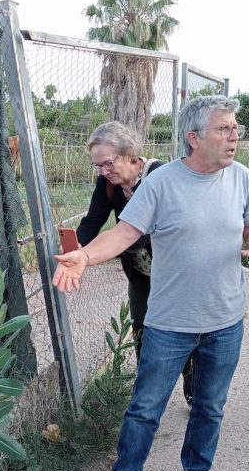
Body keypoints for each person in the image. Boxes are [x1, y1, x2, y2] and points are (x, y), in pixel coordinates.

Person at [52, 95, 249, 471]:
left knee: (210, 405)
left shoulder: (242, 177)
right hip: (169, 322)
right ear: (194, 138)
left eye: (235, 128)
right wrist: (84, 256)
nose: (234, 137)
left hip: (226, 319)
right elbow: (123, 233)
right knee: (145, 408)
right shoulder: (162, 183)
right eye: (224, 129)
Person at [76, 121, 194, 405]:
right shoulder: (107, 184)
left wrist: (116, 242)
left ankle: (193, 384)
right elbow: (93, 220)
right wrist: (76, 249)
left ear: (129, 154)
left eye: (108, 163)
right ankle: (149, 392)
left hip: (175, 271)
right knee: (142, 324)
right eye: (98, 166)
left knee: (184, 329)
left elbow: (169, 226)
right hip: (140, 271)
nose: (104, 172)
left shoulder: (161, 175)